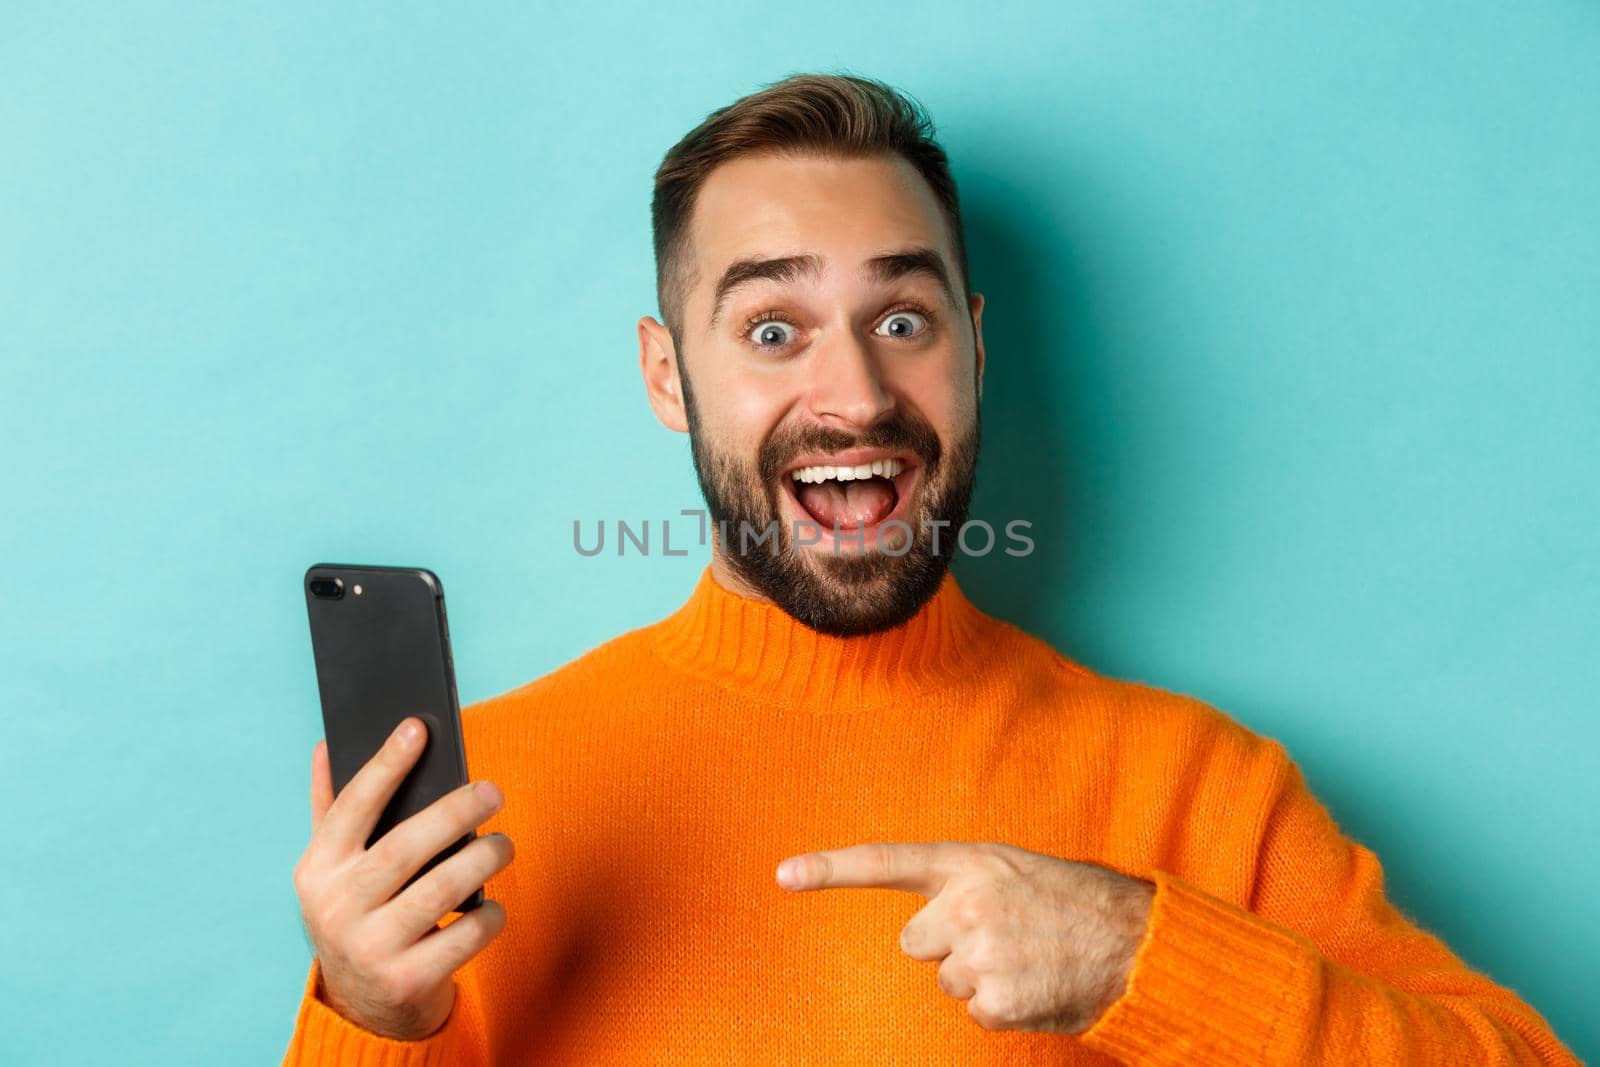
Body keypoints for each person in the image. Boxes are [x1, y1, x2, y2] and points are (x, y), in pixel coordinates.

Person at [282, 72, 1578, 1065]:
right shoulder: (473, 825)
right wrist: (370, 1018)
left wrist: (1151, 958)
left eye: (900, 320)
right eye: (773, 328)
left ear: (971, 347)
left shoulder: (1197, 790)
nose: (851, 393)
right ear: (668, 376)